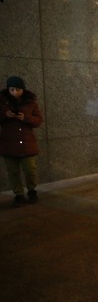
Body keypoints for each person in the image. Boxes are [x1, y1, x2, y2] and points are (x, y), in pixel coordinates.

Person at [0, 76, 43, 207]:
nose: (15, 92)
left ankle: (32, 191)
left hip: (26, 143)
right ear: (8, 89)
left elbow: (38, 121)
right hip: (9, 143)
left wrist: (25, 117)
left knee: (30, 169)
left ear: (23, 89)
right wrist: (5, 115)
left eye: (18, 89)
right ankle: (18, 194)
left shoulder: (30, 102)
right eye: (12, 89)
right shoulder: (2, 102)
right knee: (13, 172)